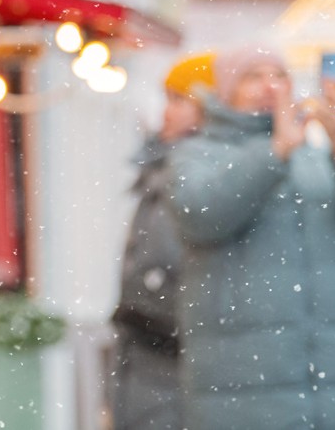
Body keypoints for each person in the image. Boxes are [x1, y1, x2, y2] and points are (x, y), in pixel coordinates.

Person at [168, 46, 335, 429]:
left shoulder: (314, 158)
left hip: (324, 385)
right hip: (240, 385)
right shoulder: (199, 154)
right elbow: (200, 216)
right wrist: (274, 151)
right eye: (253, 77)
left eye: (278, 76)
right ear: (226, 89)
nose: (270, 87)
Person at [108, 51, 212, 430]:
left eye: (180, 100)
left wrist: (149, 318)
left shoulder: (196, 178)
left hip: (169, 363)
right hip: (149, 359)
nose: (167, 112)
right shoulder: (161, 169)